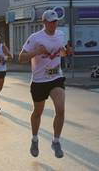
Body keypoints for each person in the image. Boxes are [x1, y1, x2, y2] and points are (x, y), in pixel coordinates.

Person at [19, 9, 68, 159]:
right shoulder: (35, 38)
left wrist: (65, 51)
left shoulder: (60, 35)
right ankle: (34, 139)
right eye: (51, 22)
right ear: (44, 23)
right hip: (39, 81)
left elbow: (63, 52)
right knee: (37, 112)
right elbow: (21, 58)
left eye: (56, 22)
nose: (54, 24)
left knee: (60, 110)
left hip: (56, 78)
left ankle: (56, 141)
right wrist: (36, 52)